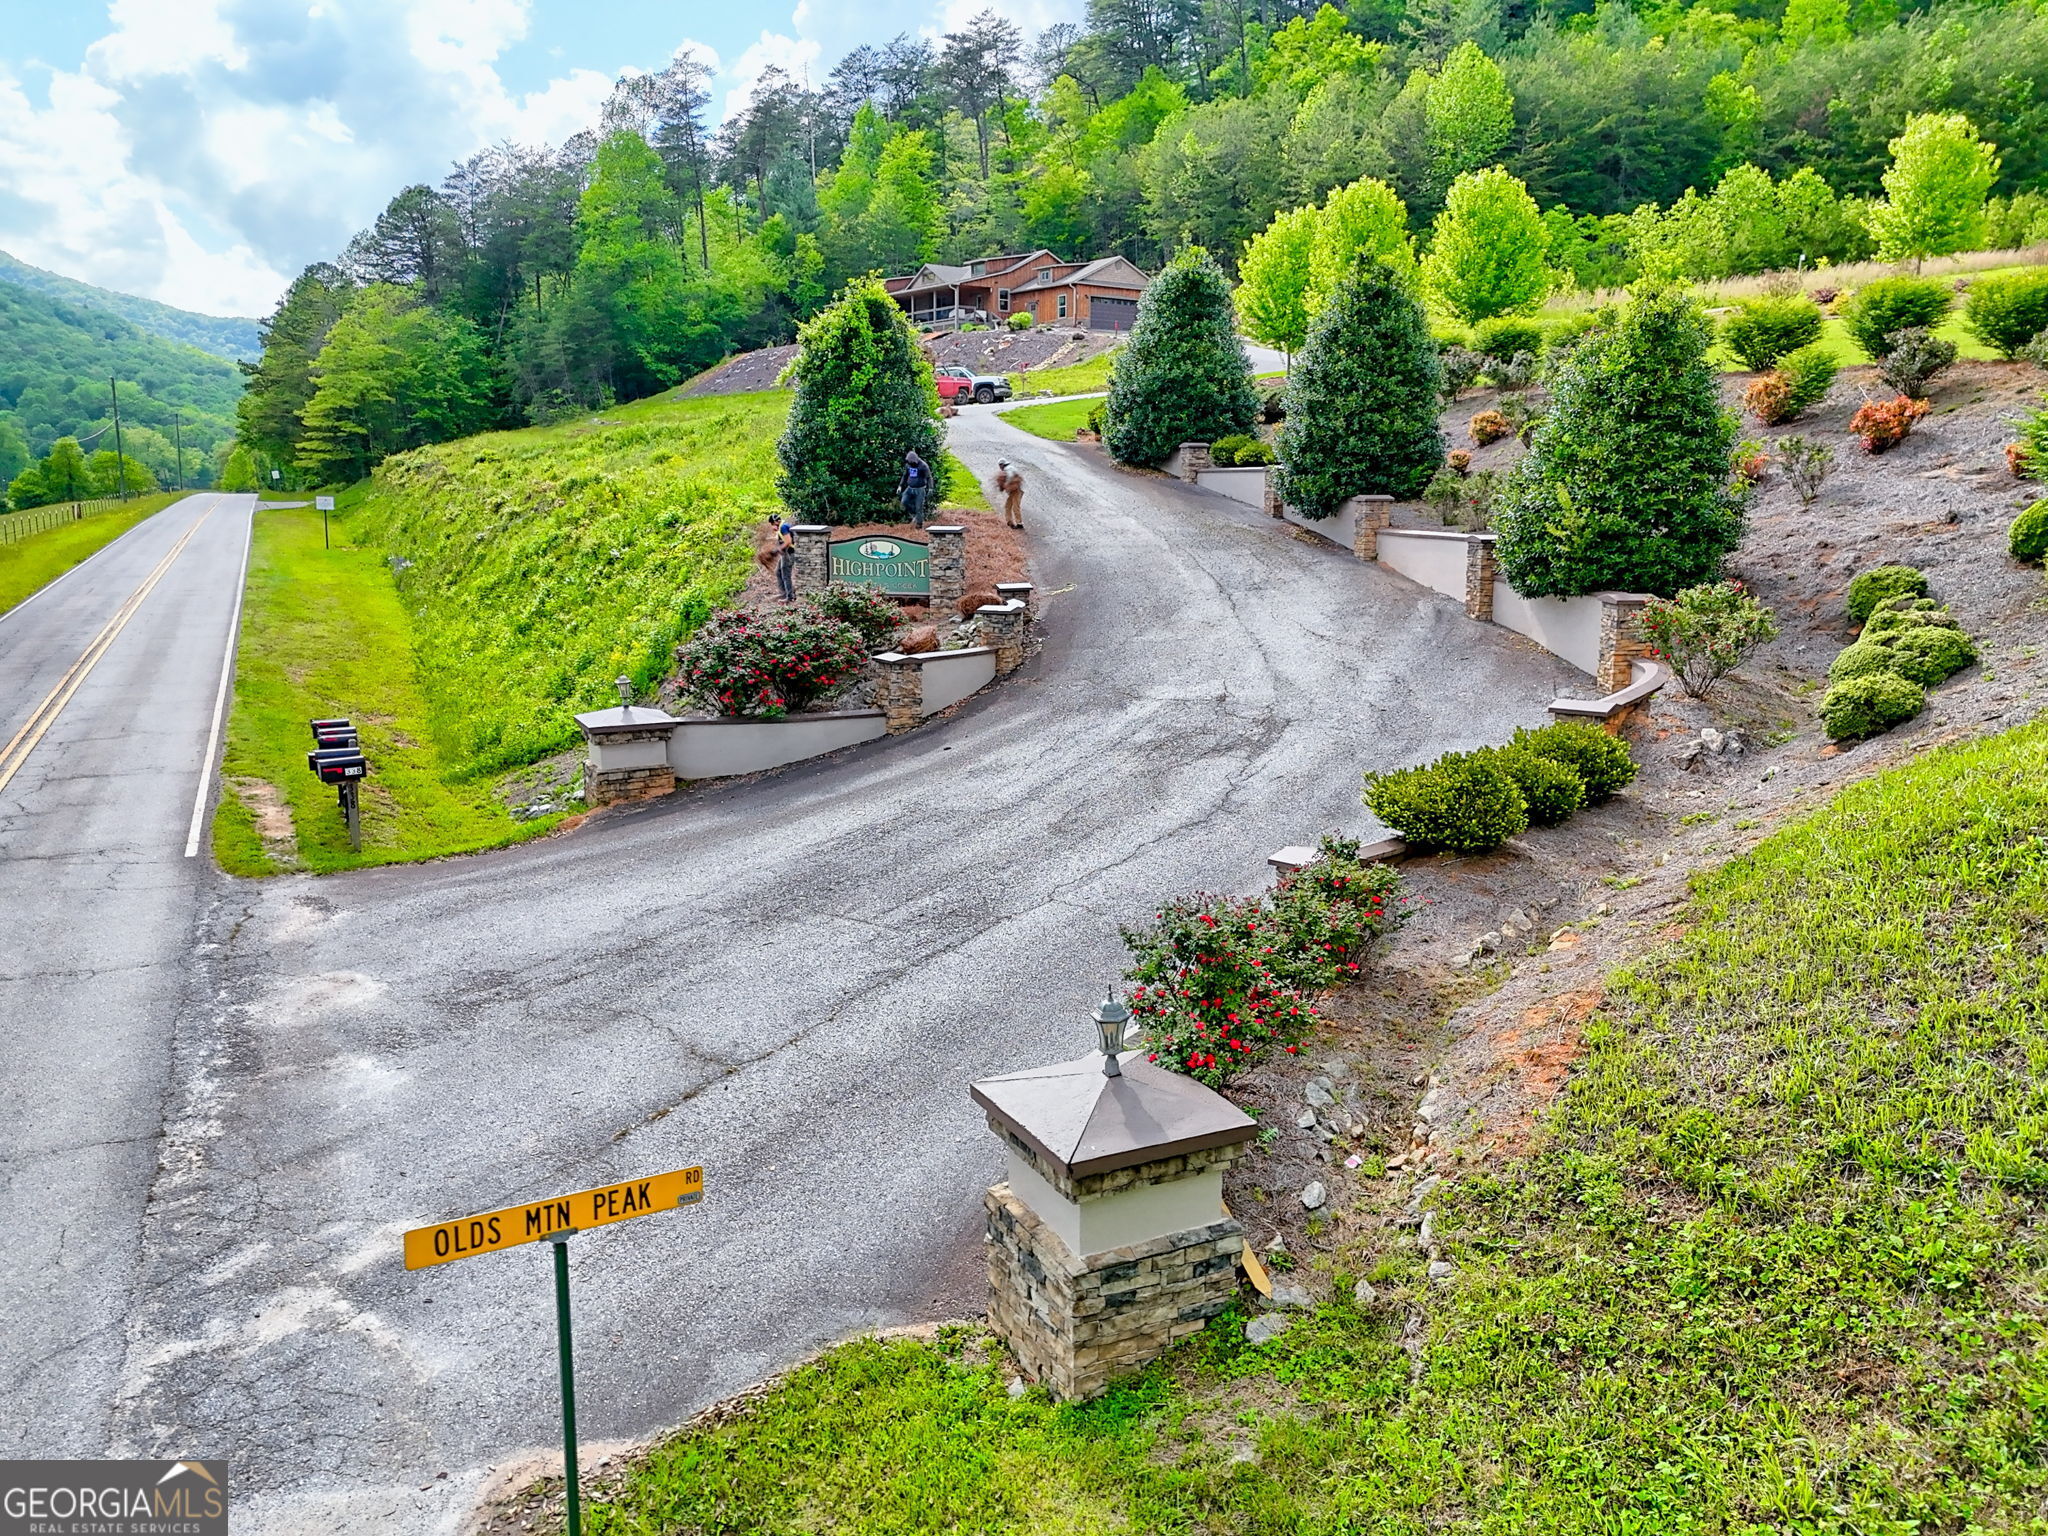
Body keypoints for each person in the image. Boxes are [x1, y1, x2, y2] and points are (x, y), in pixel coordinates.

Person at [898, 449, 933, 529]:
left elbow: (929, 477)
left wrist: (930, 488)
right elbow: (905, 475)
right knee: (904, 501)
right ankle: (915, 515)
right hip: (909, 488)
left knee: (919, 507)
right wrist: (900, 486)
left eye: (912, 463)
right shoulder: (908, 465)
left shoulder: (923, 466)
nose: (911, 464)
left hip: (920, 489)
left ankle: (919, 525)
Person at [996, 459, 1025, 530]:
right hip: (1014, 492)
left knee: (1015, 507)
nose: (1000, 467)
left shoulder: (1008, 468)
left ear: (1002, 465)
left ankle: (1019, 524)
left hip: (1017, 491)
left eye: (1000, 466)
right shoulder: (1009, 468)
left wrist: (1006, 484)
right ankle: (1009, 522)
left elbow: (1010, 476)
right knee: (1007, 506)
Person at [773, 513, 796, 601]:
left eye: (772, 524)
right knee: (778, 571)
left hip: (789, 553)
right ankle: (783, 593)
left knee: (786, 574)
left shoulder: (783, 527)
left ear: (776, 522)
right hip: (784, 553)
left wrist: (777, 550)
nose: (772, 527)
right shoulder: (782, 527)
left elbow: (788, 542)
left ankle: (790, 597)